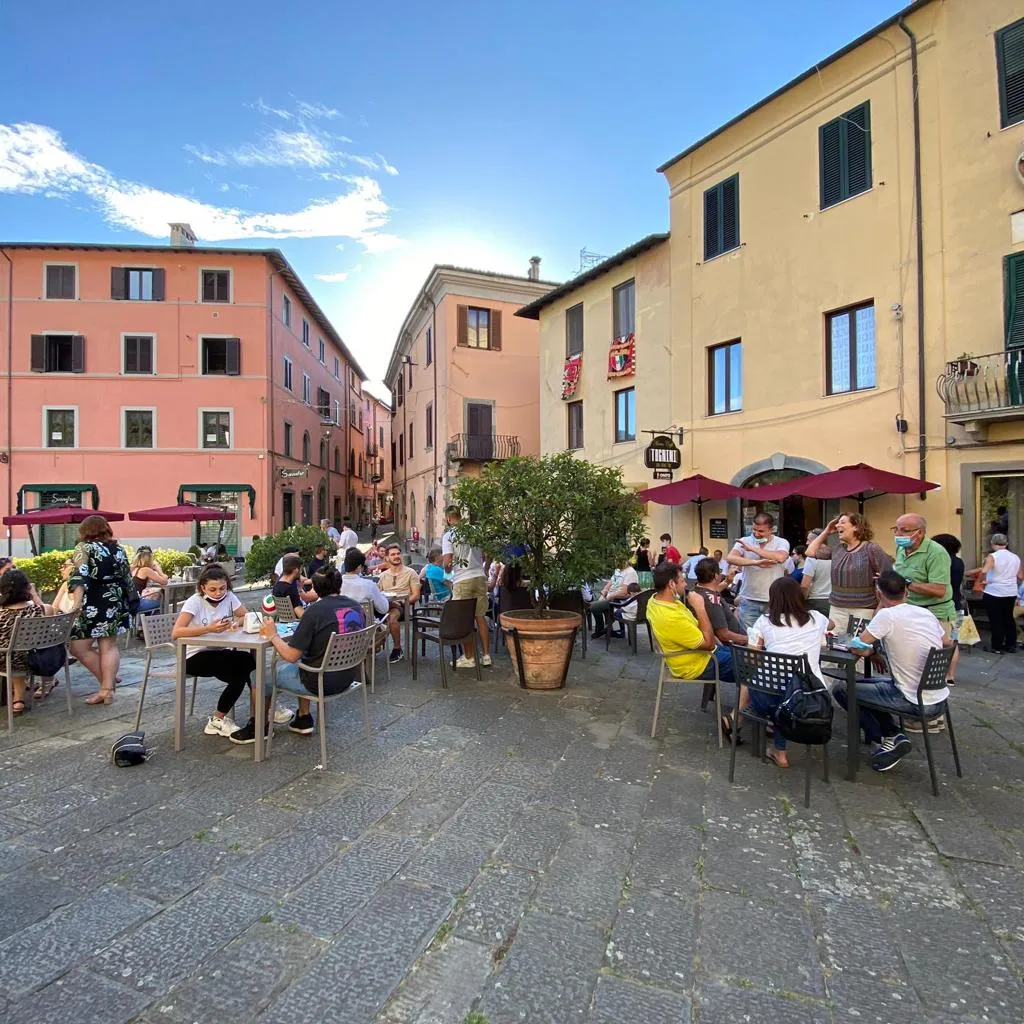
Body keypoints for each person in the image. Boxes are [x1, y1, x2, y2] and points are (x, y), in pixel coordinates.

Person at [834, 570, 950, 772]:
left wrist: (867, 648)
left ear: (879, 594)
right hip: (938, 697)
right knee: (866, 685)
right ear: (907, 591)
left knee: (843, 689)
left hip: (912, 699)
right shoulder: (925, 613)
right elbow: (947, 642)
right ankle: (890, 736)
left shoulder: (887, 615)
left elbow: (858, 645)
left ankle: (888, 735)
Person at [259, 566, 366, 737]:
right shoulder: (356, 607)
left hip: (319, 681)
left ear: (315, 588)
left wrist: (273, 635)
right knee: (307, 660)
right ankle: (303, 717)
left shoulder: (314, 612)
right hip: (347, 676)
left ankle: (259, 728)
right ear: (339, 584)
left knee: (260, 676)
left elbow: (290, 656)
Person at [744, 576, 832, 768]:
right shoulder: (817, 618)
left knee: (767, 688)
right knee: (785, 695)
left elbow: (751, 658)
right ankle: (779, 742)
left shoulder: (765, 621)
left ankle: (779, 750)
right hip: (809, 694)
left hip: (769, 695)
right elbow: (831, 625)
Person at [67, 515, 134, 706]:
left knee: (78, 647)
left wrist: (77, 603)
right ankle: (107, 688)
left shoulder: (84, 547)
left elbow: (80, 575)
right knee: (109, 645)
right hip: (116, 599)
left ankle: (107, 686)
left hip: (94, 600)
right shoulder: (118, 549)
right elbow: (127, 578)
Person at [893, 513, 957, 696]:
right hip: (911, 609)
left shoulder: (936, 552)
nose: (898, 534)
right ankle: (911, 694)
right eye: (896, 529)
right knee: (913, 659)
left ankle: (931, 700)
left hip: (935, 611)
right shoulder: (901, 549)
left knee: (933, 658)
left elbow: (939, 590)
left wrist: (906, 584)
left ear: (919, 533)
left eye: (904, 530)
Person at [646, 560, 735, 687]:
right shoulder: (671, 617)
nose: (685, 584)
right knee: (755, 667)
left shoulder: (656, 600)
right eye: (682, 581)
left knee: (747, 656)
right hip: (698, 665)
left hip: (700, 655)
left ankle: (745, 701)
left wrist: (725, 583)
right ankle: (748, 705)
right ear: (671, 584)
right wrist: (700, 608)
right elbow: (709, 645)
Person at [806, 513, 892, 635]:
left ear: (856, 526)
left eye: (842, 522)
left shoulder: (872, 549)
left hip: (863, 609)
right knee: (833, 646)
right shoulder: (838, 549)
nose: (837, 525)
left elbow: (889, 578)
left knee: (858, 647)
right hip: (837, 608)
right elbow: (810, 552)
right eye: (837, 523)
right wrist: (826, 531)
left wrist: (880, 608)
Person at [441, 504, 491, 668]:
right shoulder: (475, 530)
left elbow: (448, 563)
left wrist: (447, 568)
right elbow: (486, 554)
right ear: (460, 516)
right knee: (480, 616)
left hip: (463, 579)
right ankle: (486, 655)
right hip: (479, 576)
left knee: (464, 618)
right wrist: (484, 568)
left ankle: (469, 657)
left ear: (448, 519)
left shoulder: (449, 535)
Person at [0, 569, 52, 715]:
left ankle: (17, 699)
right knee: (17, 651)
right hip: (34, 658)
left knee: (11, 653)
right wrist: (34, 594)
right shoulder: (43, 610)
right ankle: (18, 700)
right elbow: (48, 609)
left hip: (5, 660)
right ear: (27, 587)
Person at [727, 512, 791, 630]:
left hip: (773, 600)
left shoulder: (781, 542)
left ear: (771, 529)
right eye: (754, 530)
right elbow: (730, 558)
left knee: (773, 636)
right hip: (749, 598)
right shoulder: (744, 540)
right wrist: (756, 563)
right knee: (748, 637)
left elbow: (780, 557)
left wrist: (753, 549)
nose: (756, 534)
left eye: (761, 531)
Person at [967, 532, 1022, 654]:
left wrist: (981, 581)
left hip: (995, 592)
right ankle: (1011, 644)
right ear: (1006, 543)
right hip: (1011, 591)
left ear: (992, 543)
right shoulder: (1015, 557)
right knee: (1008, 618)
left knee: (996, 619)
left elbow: (984, 571)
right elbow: (1019, 575)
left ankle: (997, 646)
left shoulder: (993, 556)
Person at [687, 558, 748, 648]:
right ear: (716, 576)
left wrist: (727, 582)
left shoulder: (696, 592)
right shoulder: (713, 601)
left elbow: (710, 591)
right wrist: (748, 639)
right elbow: (724, 634)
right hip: (736, 647)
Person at [377, 542, 421, 663]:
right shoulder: (383, 575)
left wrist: (403, 602)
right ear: (387, 558)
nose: (396, 556)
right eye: (393, 554)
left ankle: (397, 648)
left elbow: (416, 595)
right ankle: (373, 646)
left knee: (391, 617)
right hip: (384, 605)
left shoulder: (410, 572)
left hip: (401, 606)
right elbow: (377, 594)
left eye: (398, 553)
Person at [588, 556, 639, 639]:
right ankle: (607, 628)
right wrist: (603, 592)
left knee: (594, 607)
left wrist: (610, 596)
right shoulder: (618, 570)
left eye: (618, 560)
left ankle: (600, 629)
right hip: (611, 596)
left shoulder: (630, 573)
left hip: (619, 599)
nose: (616, 562)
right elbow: (611, 582)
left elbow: (625, 592)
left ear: (626, 560)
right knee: (598, 605)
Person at [800, 529, 833, 616]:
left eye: (808, 540)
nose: (807, 543)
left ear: (816, 541)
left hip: (815, 600)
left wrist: (802, 599)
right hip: (834, 600)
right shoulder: (835, 555)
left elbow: (805, 585)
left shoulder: (811, 558)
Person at [130, 546, 168, 614]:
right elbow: (164, 581)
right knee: (160, 603)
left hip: (128, 602)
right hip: (136, 603)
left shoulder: (132, 568)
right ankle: (153, 623)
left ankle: (144, 622)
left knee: (150, 600)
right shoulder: (146, 570)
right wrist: (159, 570)